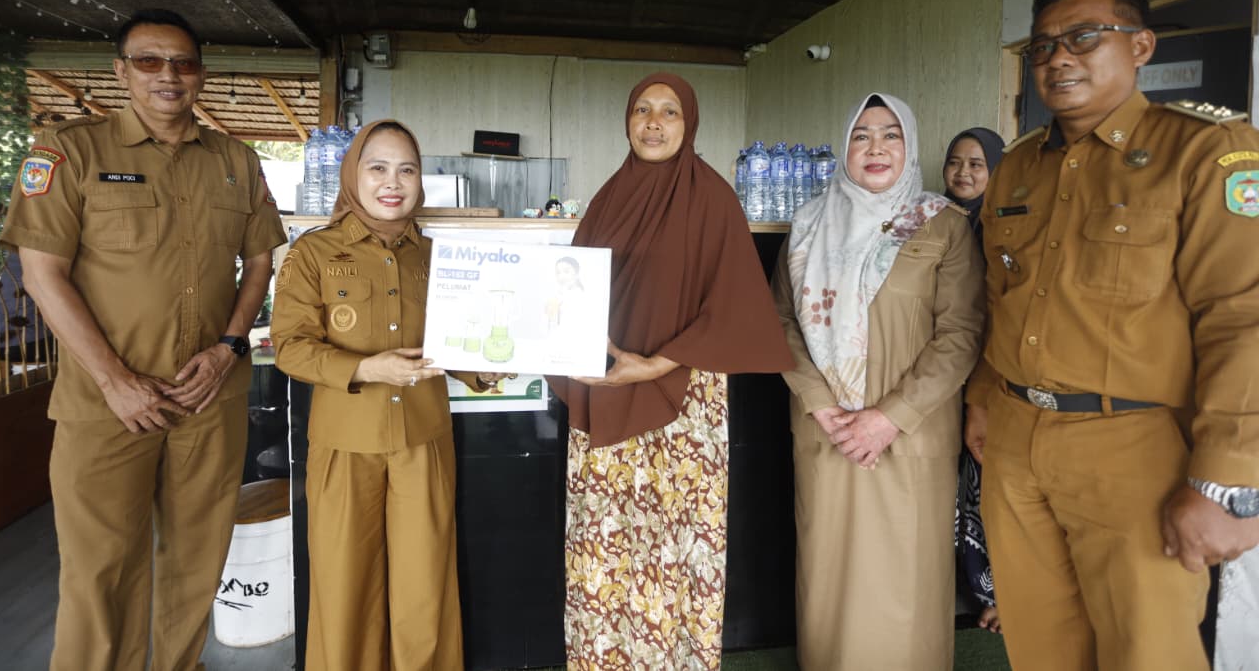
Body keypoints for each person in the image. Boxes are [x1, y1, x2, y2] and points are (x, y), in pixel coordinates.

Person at [964, 0, 1259, 671]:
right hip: (1013, 442)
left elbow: (1242, 317)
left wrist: (1224, 479)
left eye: (1084, 38)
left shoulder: (1206, 150)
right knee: (1041, 647)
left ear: (1141, 46)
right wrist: (981, 399)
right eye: (1043, 47)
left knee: (1146, 651)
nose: (1059, 58)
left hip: (1135, 449)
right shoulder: (1017, 168)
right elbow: (999, 298)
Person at [0, 8, 285, 671]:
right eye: (150, 61)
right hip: (106, 405)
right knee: (101, 568)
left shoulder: (236, 162)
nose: (168, 75)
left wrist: (228, 347)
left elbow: (262, 262)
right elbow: (43, 274)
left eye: (182, 62)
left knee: (194, 562)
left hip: (207, 399)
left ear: (200, 76)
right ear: (121, 71)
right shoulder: (71, 152)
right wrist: (115, 379)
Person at [550, 72, 793, 670]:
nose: (653, 123)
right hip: (606, 392)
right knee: (604, 552)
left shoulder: (712, 197)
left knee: (674, 555)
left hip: (684, 406)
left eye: (669, 113)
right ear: (627, 121)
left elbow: (735, 306)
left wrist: (653, 365)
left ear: (690, 124)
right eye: (642, 110)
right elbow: (567, 293)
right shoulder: (608, 198)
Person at [271, 120, 498, 670]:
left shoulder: (440, 259)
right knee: (345, 589)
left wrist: (485, 370)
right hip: (345, 447)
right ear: (354, 174)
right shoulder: (314, 255)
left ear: (421, 181)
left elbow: (455, 344)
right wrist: (365, 367)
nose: (392, 182)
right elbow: (289, 347)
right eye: (378, 167)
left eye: (407, 169)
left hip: (424, 442)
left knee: (425, 590)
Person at [770, 93, 985, 670]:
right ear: (845, 147)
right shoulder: (811, 223)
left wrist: (888, 417)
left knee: (905, 585)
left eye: (891, 134)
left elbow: (961, 332)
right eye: (861, 136)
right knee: (830, 579)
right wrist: (821, 405)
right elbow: (781, 322)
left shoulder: (942, 224)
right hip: (829, 431)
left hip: (910, 434)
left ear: (909, 145)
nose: (876, 148)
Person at [943, 126, 1006, 633]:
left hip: (989, 379)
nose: (963, 173)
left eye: (977, 164)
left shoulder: (1005, 227)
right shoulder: (927, 218)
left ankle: (994, 593)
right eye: (955, 162)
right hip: (937, 375)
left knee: (982, 489)